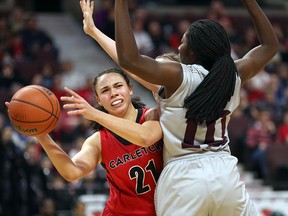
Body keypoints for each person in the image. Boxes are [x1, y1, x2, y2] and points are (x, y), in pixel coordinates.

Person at [108, 0, 278, 215]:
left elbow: (129, 59)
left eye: (182, 42)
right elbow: (270, 46)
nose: (178, 48)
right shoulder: (234, 75)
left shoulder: (177, 75)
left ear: (195, 52)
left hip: (183, 176)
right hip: (224, 174)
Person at [6, 68, 163, 215]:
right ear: (98, 100)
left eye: (118, 86)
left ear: (130, 89)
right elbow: (72, 172)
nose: (113, 93)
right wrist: (42, 134)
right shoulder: (98, 141)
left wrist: (94, 114)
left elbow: (145, 137)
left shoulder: (153, 116)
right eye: (105, 90)